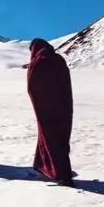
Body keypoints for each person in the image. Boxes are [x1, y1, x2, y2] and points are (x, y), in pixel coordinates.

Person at [27, 38, 74, 185]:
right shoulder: (58, 59)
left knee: (50, 138)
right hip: (64, 105)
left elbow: (32, 87)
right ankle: (43, 165)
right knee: (60, 137)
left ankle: (62, 174)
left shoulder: (38, 62)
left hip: (46, 107)